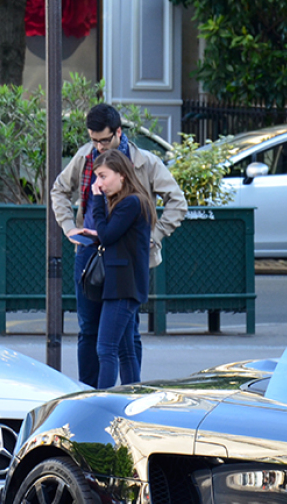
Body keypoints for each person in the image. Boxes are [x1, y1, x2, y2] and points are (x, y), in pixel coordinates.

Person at [50, 103, 187, 387]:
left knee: (125, 333)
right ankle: (88, 390)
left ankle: (122, 393)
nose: (98, 146)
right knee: (89, 328)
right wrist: (68, 227)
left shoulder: (144, 162)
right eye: (93, 139)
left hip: (126, 255)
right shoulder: (85, 157)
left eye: (104, 139)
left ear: (118, 132)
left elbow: (177, 202)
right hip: (89, 250)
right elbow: (59, 189)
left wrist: (156, 235)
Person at [67, 150, 154, 389]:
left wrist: (96, 203)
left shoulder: (130, 202)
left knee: (105, 349)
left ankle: (103, 399)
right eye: (97, 178)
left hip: (122, 286)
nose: (99, 184)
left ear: (122, 175)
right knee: (125, 351)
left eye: (103, 176)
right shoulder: (133, 202)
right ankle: (131, 395)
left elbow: (107, 235)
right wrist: (93, 233)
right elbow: (115, 236)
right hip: (124, 283)